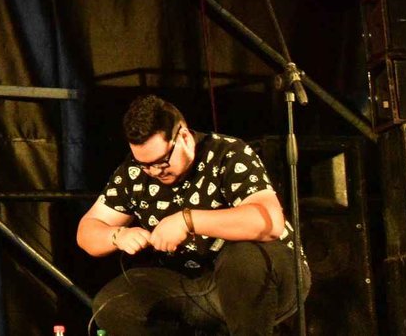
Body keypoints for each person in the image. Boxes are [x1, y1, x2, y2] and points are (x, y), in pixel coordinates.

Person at [77, 95, 309, 336]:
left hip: (266, 276)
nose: (155, 171)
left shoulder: (228, 153)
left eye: (162, 161)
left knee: (243, 259)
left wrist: (187, 220)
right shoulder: (134, 173)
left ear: (184, 137)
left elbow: (269, 222)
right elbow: (88, 230)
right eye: (145, 164)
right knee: (115, 304)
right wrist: (117, 235)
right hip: (193, 284)